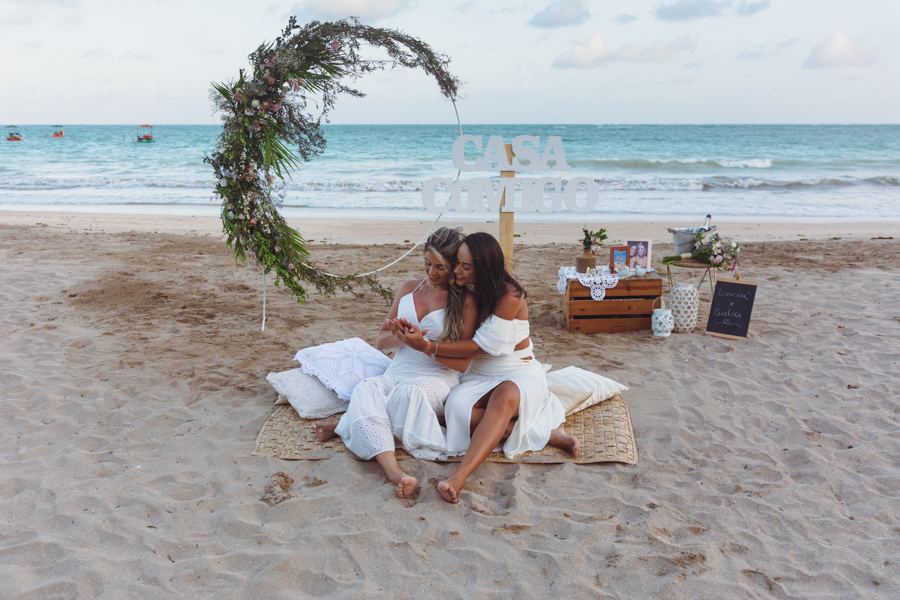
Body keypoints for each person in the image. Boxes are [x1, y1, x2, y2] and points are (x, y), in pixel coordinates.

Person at [391, 232, 579, 504]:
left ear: (484, 268)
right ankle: (542, 433)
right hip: (478, 375)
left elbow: (477, 347)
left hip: (517, 371)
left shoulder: (510, 295)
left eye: (465, 267)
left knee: (503, 399)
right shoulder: (466, 291)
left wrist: (427, 346)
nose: (457, 270)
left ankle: (458, 477)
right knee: (454, 413)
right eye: (458, 263)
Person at [311, 228, 477, 499]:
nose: (431, 272)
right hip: (398, 370)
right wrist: (401, 337)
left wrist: (423, 345)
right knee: (366, 388)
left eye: (441, 267)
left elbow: (462, 363)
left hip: (435, 377)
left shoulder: (466, 301)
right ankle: (394, 471)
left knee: (408, 394)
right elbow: (381, 340)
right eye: (427, 263)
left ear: (455, 266)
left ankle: (347, 425)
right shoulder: (409, 289)